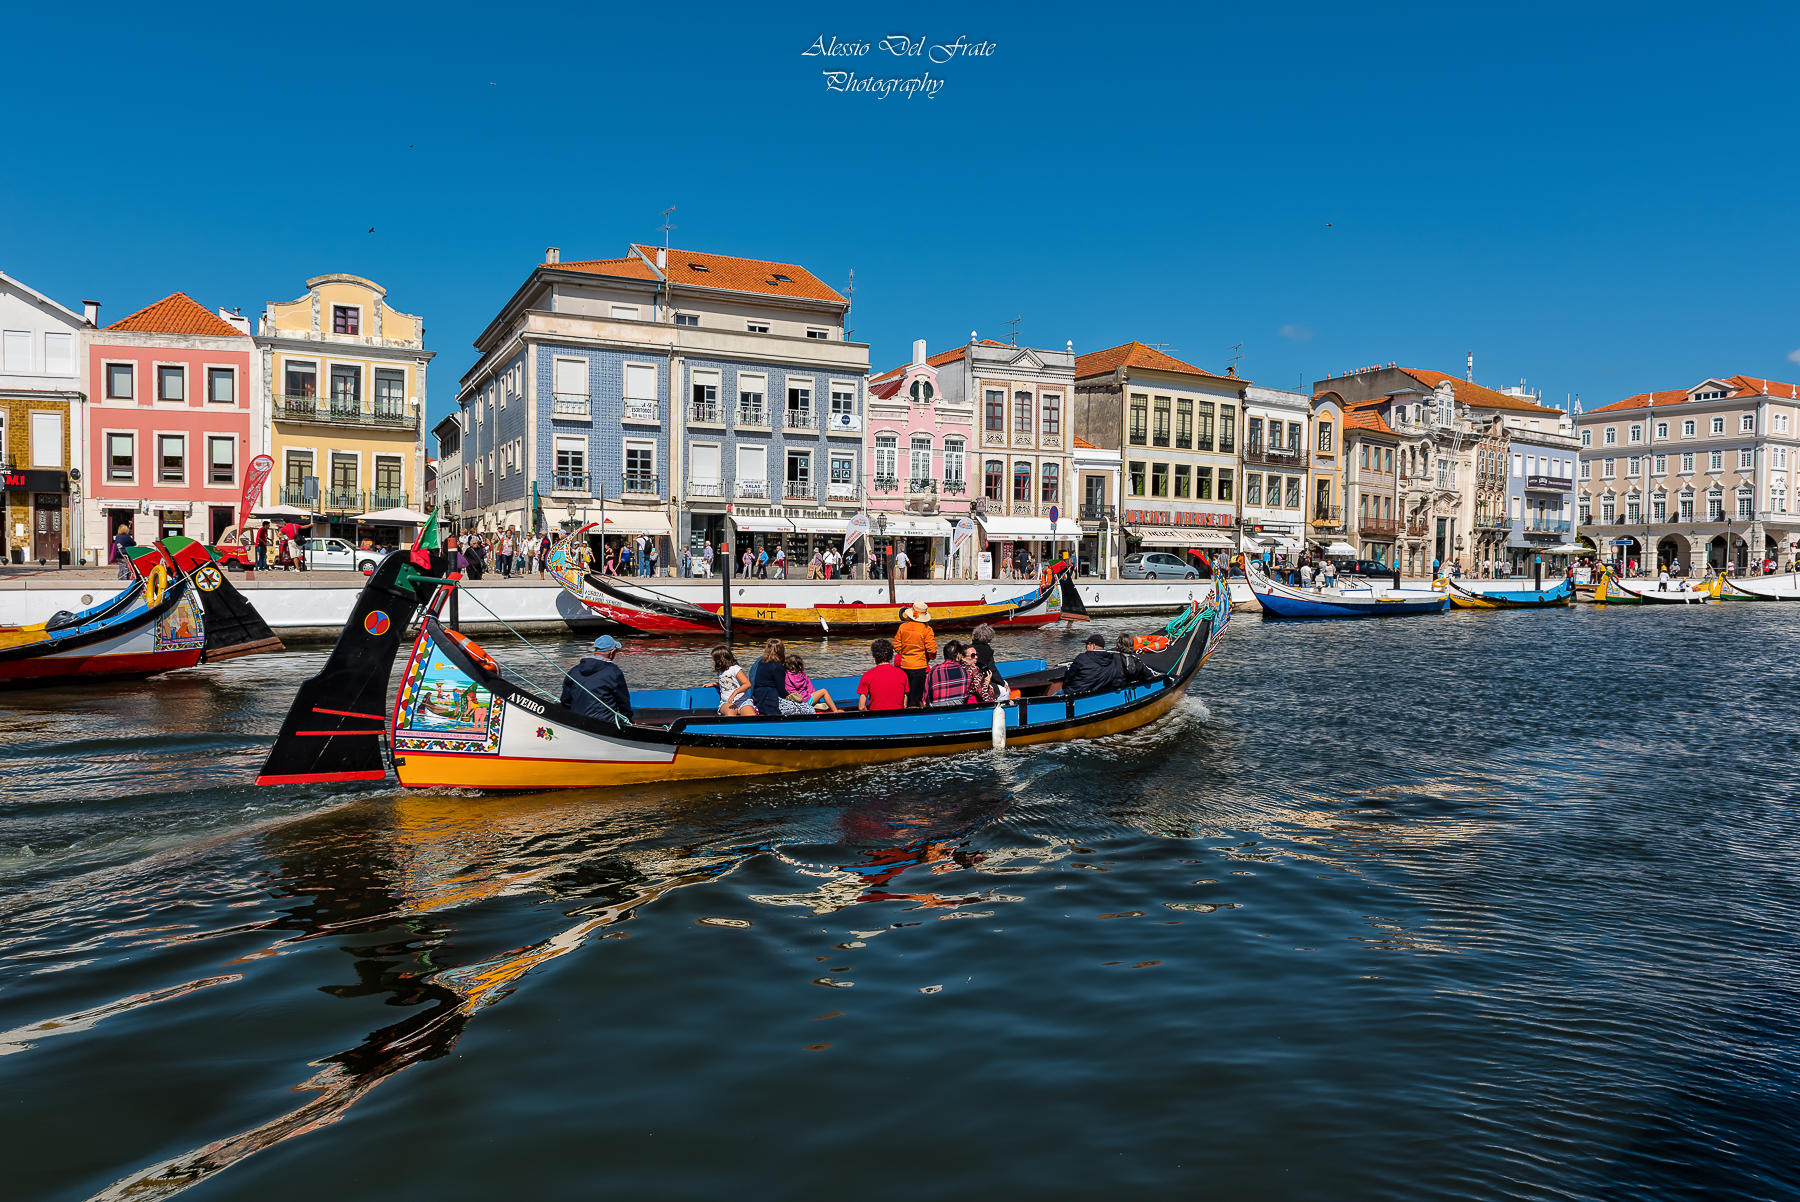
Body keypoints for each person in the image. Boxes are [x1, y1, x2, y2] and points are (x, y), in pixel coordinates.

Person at [560, 634, 633, 723]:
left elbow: (565, 701)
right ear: (612, 652)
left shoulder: (574, 670)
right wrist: (627, 719)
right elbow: (623, 701)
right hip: (604, 722)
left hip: (577, 719)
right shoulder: (613, 672)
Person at [893, 601, 937, 706]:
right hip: (919, 666)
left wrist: (905, 654)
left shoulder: (902, 627)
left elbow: (896, 645)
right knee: (915, 699)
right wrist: (928, 658)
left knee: (905, 695)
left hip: (904, 666)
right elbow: (932, 650)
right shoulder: (927, 629)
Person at [1059, 633, 1125, 697]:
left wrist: (1066, 688)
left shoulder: (1082, 658)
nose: (1086, 646)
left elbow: (1069, 677)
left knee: (1057, 694)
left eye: (1087, 644)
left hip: (1076, 693)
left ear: (1093, 646)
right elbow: (1117, 682)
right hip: (1099, 694)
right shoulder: (1113, 659)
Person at [857, 637, 909, 711]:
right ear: (891, 655)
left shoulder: (867, 675)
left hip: (876, 718)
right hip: (897, 718)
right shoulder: (903, 674)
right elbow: (904, 704)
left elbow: (861, 707)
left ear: (874, 656)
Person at [712, 646, 756, 716]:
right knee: (730, 714)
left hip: (742, 701)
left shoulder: (735, 669)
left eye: (714, 659)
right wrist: (715, 684)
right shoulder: (720, 671)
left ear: (722, 659)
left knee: (751, 716)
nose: (712, 661)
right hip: (727, 702)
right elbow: (727, 684)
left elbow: (747, 684)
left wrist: (735, 693)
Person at [749, 638, 788, 716]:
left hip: (758, 697)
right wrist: (788, 695)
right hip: (770, 701)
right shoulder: (777, 666)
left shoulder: (760, 662)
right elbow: (781, 691)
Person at [969, 622, 1006, 697]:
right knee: (1005, 691)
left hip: (971, 680)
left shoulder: (970, 648)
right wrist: (1003, 683)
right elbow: (992, 669)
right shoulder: (988, 650)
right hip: (982, 680)